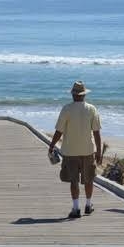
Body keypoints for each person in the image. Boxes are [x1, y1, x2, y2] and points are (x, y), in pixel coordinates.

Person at [48, 81, 102, 219]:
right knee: (89, 179)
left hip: (70, 151)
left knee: (74, 181)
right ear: (84, 95)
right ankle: (88, 206)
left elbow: (59, 131)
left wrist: (52, 145)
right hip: (88, 151)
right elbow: (96, 132)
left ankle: (76, 208)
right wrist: (99, 151)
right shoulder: (91, 109)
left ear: (73, 94)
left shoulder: (66, 109)